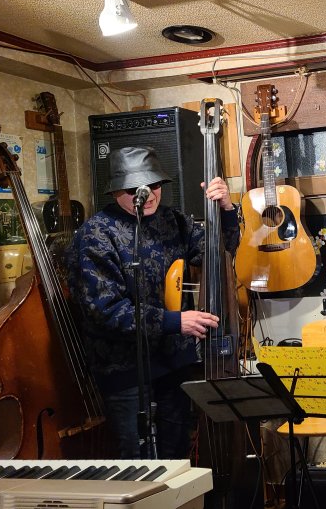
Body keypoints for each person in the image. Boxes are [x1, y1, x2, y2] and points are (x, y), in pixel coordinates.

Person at [67, 146, 240, 459]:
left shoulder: (172, 220)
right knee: (139, 462)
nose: (147, 195)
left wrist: (226, 209)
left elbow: (220, 254)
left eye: (154, 185)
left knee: (177, 458)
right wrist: (176, 321)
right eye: (135, 189)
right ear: (116, 190)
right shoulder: (95, 235)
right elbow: (104, 311)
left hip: (173, 364)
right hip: (125, 370)